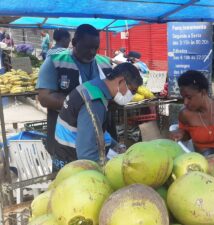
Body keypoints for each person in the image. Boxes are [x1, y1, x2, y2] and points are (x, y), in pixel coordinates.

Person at [36, 24, 113, 162]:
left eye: (96, 48)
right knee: (67, 179)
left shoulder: (106, 64)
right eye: (87, 47)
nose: (92, 52)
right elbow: (44, 97)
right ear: (74, 43)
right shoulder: (55, 62)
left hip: (99, 135)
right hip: (65, 141)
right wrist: (81, 104)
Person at [54, 63, 142, 168]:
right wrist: (110, 167)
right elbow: (86, 154)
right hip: (72, 164)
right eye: (132, 90)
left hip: (64, 156)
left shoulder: (93, 86)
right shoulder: (95, 102)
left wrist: (116, 146)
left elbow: (96, 130)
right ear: (121, 81)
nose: (131, 96)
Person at [170, 70, 214, 156]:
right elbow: (188, 135)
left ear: (203, 92)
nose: (185, 102)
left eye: (189, 97)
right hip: (204, 159)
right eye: (183, 97)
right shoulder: (185, 114)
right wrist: (181, 134)